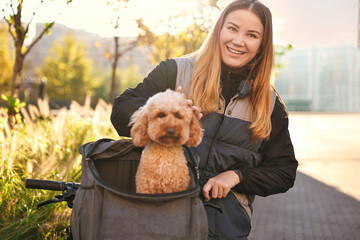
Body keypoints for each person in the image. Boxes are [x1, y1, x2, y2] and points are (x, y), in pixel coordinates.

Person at [110, 0, 298, 239]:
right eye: (232, 28)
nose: (238, 40)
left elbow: (284, 172)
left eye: (251, 35)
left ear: (262, 45)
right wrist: (163, 113)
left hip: (225, 228)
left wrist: (238, 176)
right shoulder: (175, 71)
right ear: (218, 29)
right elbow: (120, 111)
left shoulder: (270, 104)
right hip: (160, 220)